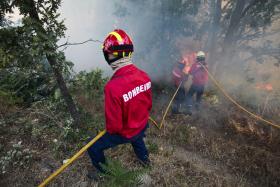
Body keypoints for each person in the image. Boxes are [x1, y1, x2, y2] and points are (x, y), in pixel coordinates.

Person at [87, 29, 152, 177]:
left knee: (92, 146)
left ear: (111, 56)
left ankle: (106, 174)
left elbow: (114, 127)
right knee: (138, 138)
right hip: (141, 125)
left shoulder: (112, 87)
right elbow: (148, 105)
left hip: (127, 132)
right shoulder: (144, 76)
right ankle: (146, 162)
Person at [185, 51, 208, 115]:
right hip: (202, 85)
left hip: (195, 84)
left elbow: (190, 72)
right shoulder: (206, 65)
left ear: (197, 58)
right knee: (199, 97)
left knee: (189, 95)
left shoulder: (195, 65)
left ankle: (189, 109)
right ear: (203, 58)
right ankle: (197, 109)